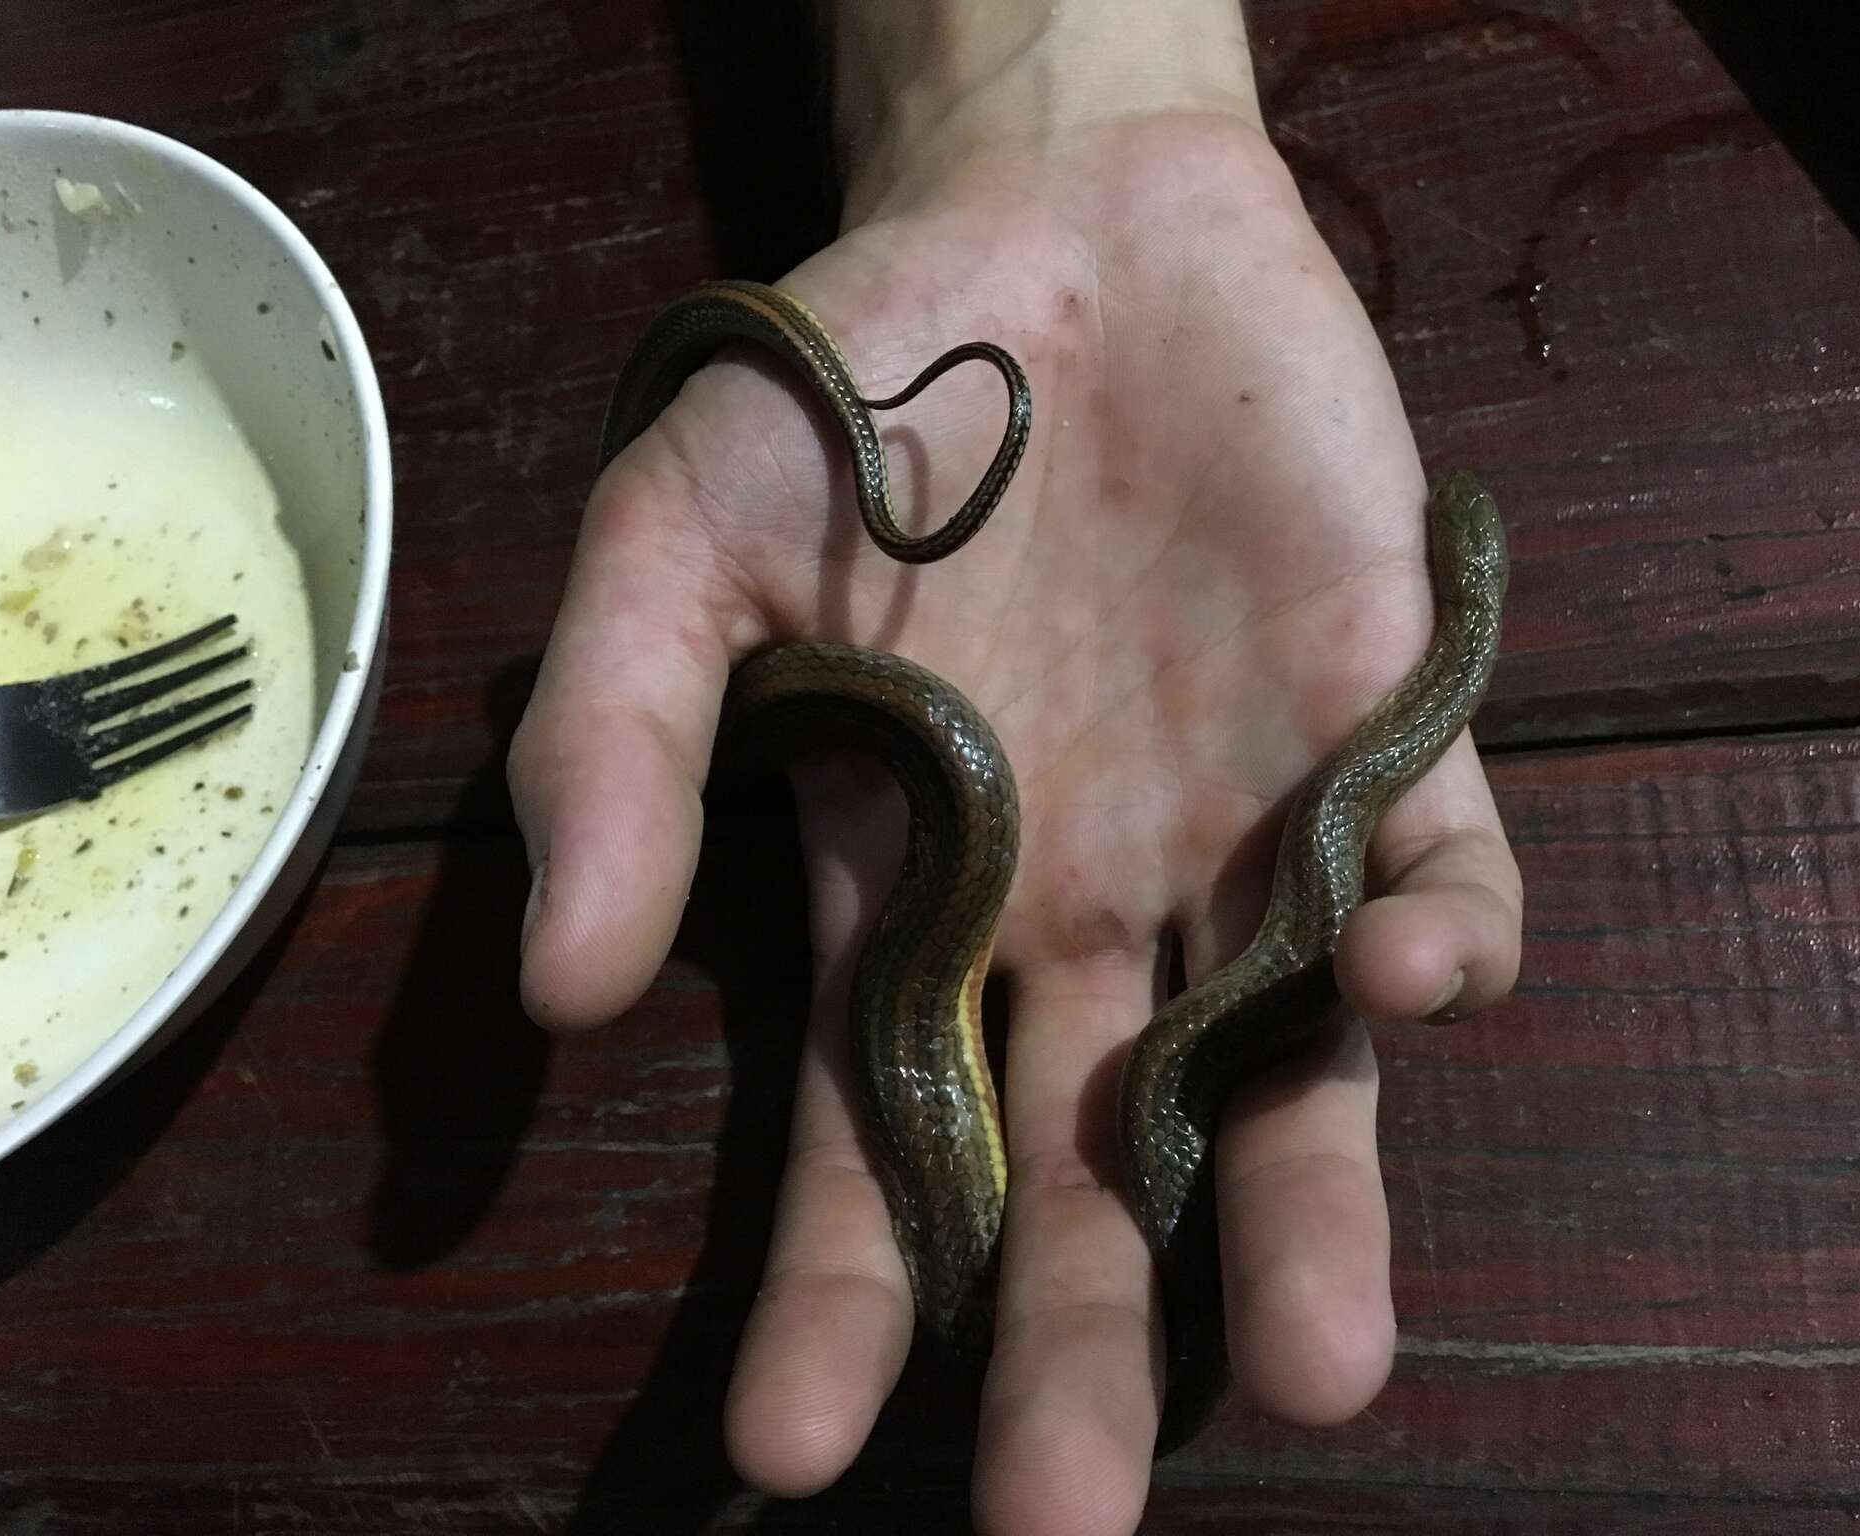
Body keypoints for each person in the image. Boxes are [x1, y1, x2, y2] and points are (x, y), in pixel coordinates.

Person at [506, 2, 1524, 1532]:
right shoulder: (1408, 694)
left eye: (1462, 552)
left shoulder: (1420, 688)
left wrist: (1081, 87)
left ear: (1459, 591)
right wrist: (1011, 123)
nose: (1455, 536)